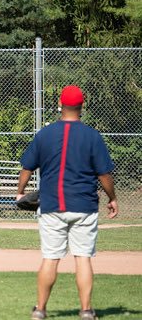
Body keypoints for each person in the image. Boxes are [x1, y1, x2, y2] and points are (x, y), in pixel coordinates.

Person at [16, 85, 117, 320]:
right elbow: (104, 174)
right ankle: (86, 311)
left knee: (50, 258)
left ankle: (40, 310)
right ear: (82, 107)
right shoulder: (92, 135)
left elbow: (27, 167)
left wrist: (20, 192)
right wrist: (112, 198)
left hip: (52, 206)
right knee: (83, 258)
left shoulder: (45, 134)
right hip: (84, 205)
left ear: (60, 106)